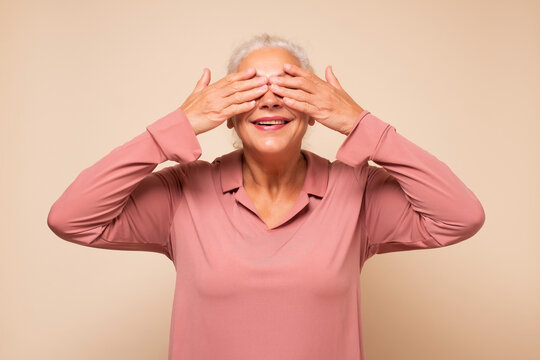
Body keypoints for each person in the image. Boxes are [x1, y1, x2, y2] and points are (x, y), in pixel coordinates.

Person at [47, 33, 486, 360]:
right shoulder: (181, 192)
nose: (270, 100)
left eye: (290, 87)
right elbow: (71, 219)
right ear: (227, 116)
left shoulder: (357, 192)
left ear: (314, 112)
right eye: (250, 88)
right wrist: (173, 129)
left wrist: (361, 124)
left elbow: (460, 216)